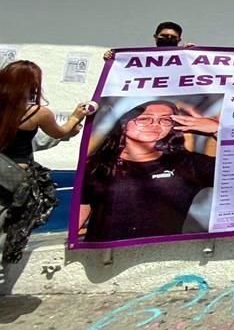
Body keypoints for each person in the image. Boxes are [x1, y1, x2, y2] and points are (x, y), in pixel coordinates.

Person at [78, 99, 219, 241]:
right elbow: (82, 210)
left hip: (159, 256)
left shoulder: (187, 164)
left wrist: (218, 130)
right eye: (145, 118)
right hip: (103, 256)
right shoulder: (96, 165)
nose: (155, 125)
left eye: (165, 120)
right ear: (124, 122)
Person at [0, 61, 94, 262]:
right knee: (9, 225)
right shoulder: (36, 113)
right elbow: (61, 132)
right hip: (15, 175)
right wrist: (76, 117)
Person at [103, 21, 195, 60]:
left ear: (179, 40)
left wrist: (193, 54)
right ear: (155, 36)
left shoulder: (185, 56)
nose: (168, 38)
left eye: (173, 37)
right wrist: (112, 59)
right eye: (164, 36)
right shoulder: (141, 58)